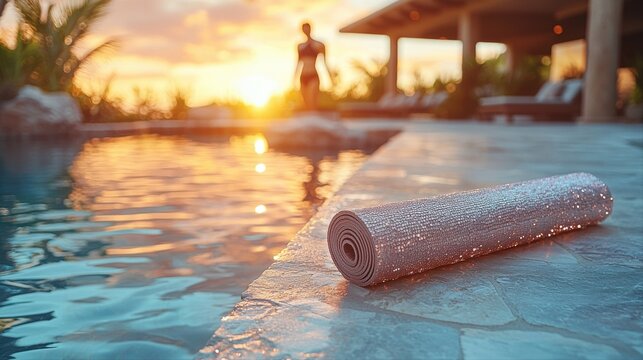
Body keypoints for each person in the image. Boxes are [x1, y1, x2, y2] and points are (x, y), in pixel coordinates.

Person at [294, 22, 332, 111]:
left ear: (310, 29)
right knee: (305, 104)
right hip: (303, 76)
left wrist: (330, 76)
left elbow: (325, 62)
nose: (305, 30)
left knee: (312, 103)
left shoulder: (319, 45)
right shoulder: (299, 46)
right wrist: (294, 77)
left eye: (307, 28)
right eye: (304, 29)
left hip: (313, 75)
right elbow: (297, 63)